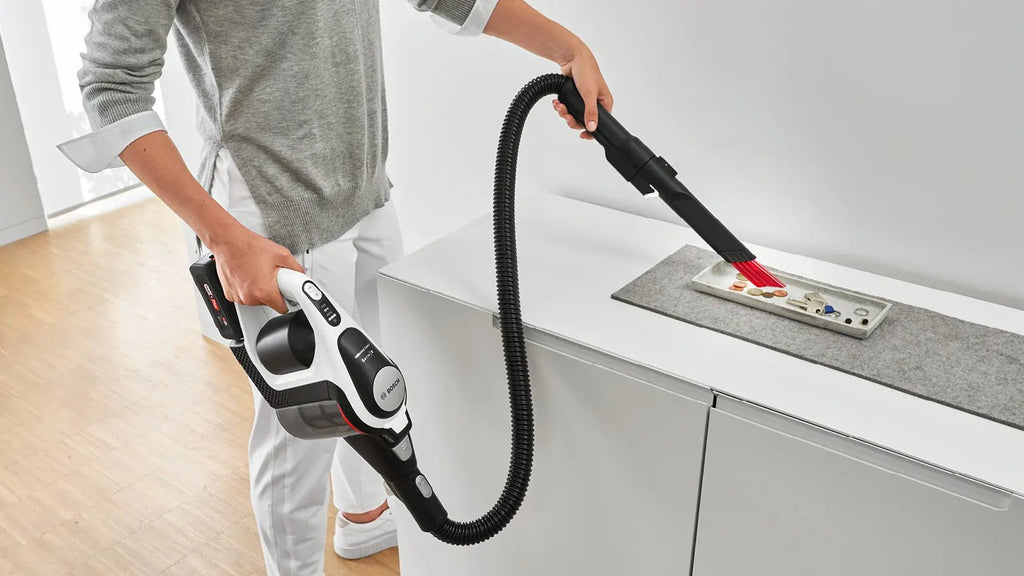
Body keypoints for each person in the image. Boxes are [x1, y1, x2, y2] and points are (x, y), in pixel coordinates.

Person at [59, 1, 612, 574]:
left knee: (374, 387)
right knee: (299, 439)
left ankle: (364, 516)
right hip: (269, 217)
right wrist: (225, 239)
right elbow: (111, 86)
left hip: (363, 189)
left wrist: (567, 49)